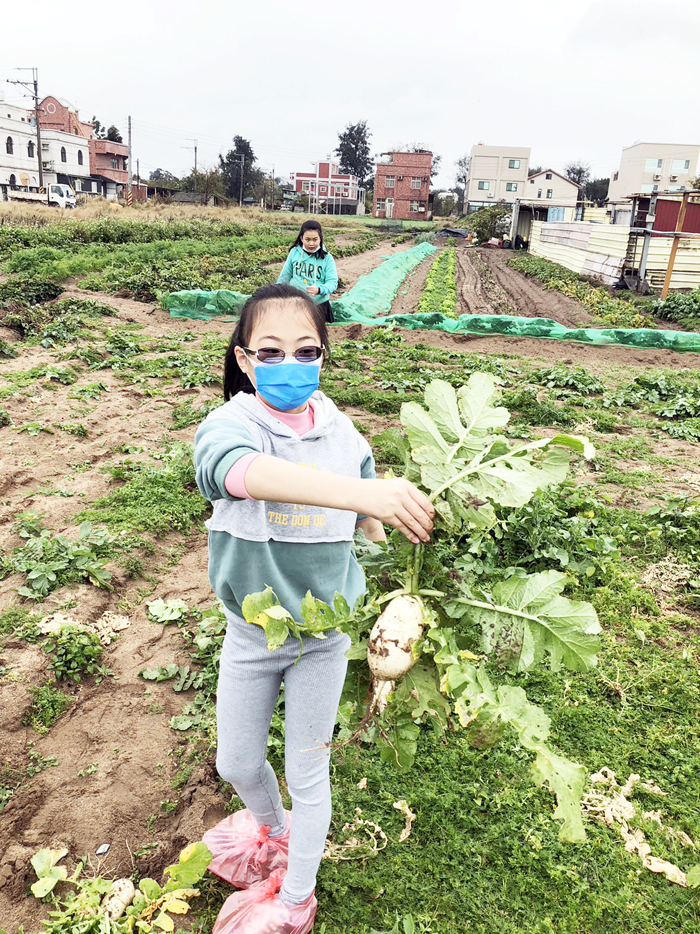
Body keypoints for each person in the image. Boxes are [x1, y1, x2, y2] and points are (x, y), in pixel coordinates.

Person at [193, 283, 433, 934]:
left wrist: (402, 543)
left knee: (308, 770)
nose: (289, 364)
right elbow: (242, 474)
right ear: (244, 360)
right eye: (270, 352)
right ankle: (271, 833)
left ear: (324, 356)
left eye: (306, 351)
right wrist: (363, 492)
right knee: (237, 761)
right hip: (253, 632)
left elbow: (374, 530)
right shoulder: (231, 426)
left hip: (323, 640)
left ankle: (297, 896)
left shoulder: (344, 437)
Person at [276, 220, 338, 324]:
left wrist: (319, 290)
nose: (311, 243)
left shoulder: (327, 258)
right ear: (301, 238)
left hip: (319, 305)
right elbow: (285, 276)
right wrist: (276, 292)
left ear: (320, 238)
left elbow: (333, 283)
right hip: (296, 303)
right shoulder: (294, 253)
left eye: (315, 239)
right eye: (307, 239)